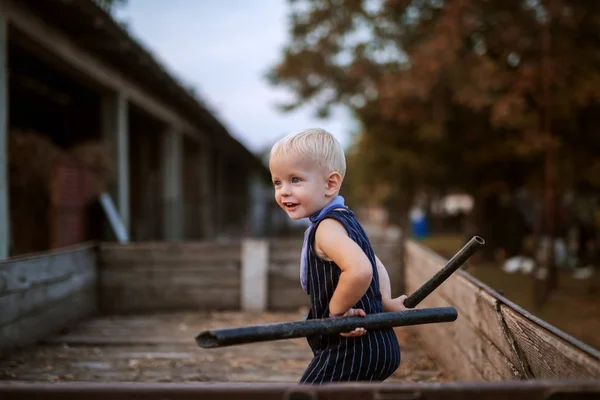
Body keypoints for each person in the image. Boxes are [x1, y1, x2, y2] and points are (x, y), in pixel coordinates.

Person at [268, 128, 409, 385]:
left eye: (295, 180)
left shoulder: (327, 229)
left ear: (330, 184)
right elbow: (374, 263)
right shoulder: (345, 219)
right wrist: (385, 301)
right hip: (378, 344)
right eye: (278, 182)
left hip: (351, 350)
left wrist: (337, 314)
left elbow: (361, 270)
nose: (284, 191)